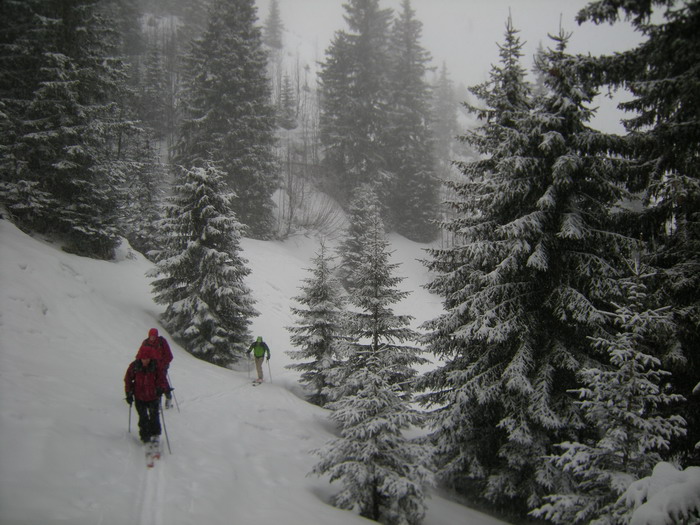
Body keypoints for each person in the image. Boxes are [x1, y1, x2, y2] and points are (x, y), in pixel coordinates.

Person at [124, 345, 169, 443]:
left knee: (154, 416)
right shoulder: (134, 366)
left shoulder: (156, 366)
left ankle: (155, 434)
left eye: (147, 358)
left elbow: (162, 379)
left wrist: (161, 388)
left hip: (153, 396)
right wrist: (128, 393)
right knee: (143, 417)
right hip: (139, 397)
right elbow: (128, 379)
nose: (145, 361)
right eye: (143, 358)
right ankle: (145, 436)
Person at [139, 328, 174, 408]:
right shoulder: (145, 343)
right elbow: (140, 354)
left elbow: (169, 355)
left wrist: (163, 364)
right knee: (153, 383)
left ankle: (167, 397)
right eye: (151, 336)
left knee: (161, 381)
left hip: (162, 366)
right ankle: (157, 401)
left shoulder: (162, 342)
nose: (152, 337)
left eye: (154, 336)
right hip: (150, 366)